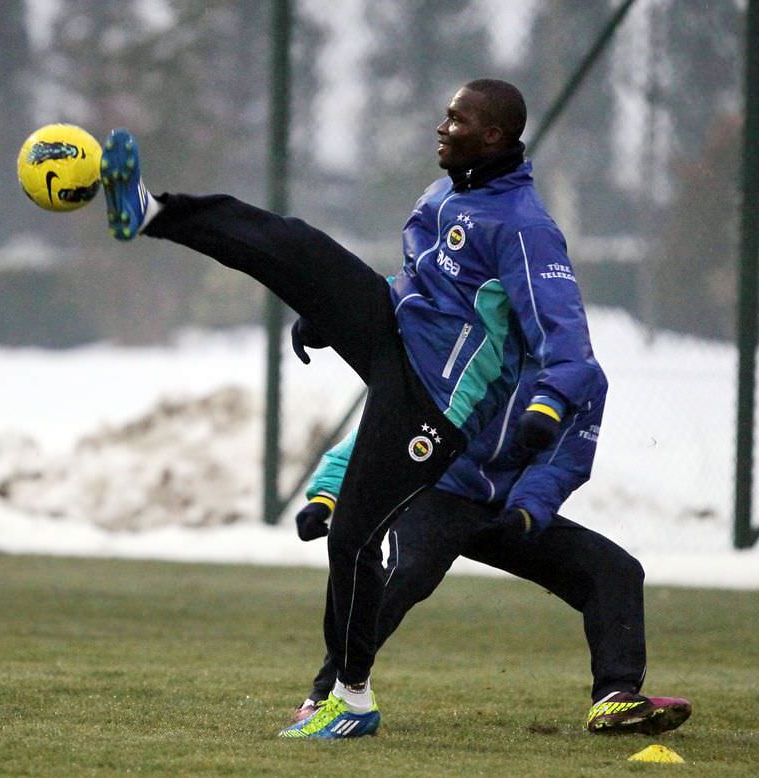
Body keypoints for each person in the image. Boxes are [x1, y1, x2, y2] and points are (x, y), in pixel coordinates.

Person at [101, 79, 606, 739]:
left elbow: (564, 336)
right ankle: (152, 212)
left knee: (352, 539)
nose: (441, 126)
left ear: (493, 137)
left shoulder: (525, 227)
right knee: (296, 245)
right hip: (393, 339)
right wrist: (327, 313)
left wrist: (546, 407)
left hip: (437, 403)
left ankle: (352, 698)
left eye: (456, 118)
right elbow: (421, 287)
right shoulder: (444, 194)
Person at [288, 355, 692, 736]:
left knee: (613, 570)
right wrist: (326, 495)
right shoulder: (475, 350)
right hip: (433, 493)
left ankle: (614, 698)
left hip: (508, 508)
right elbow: (383, 430)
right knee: (405, 573)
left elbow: (562, 462)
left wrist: (528, 509)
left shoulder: (583, 378)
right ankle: (326, 696)